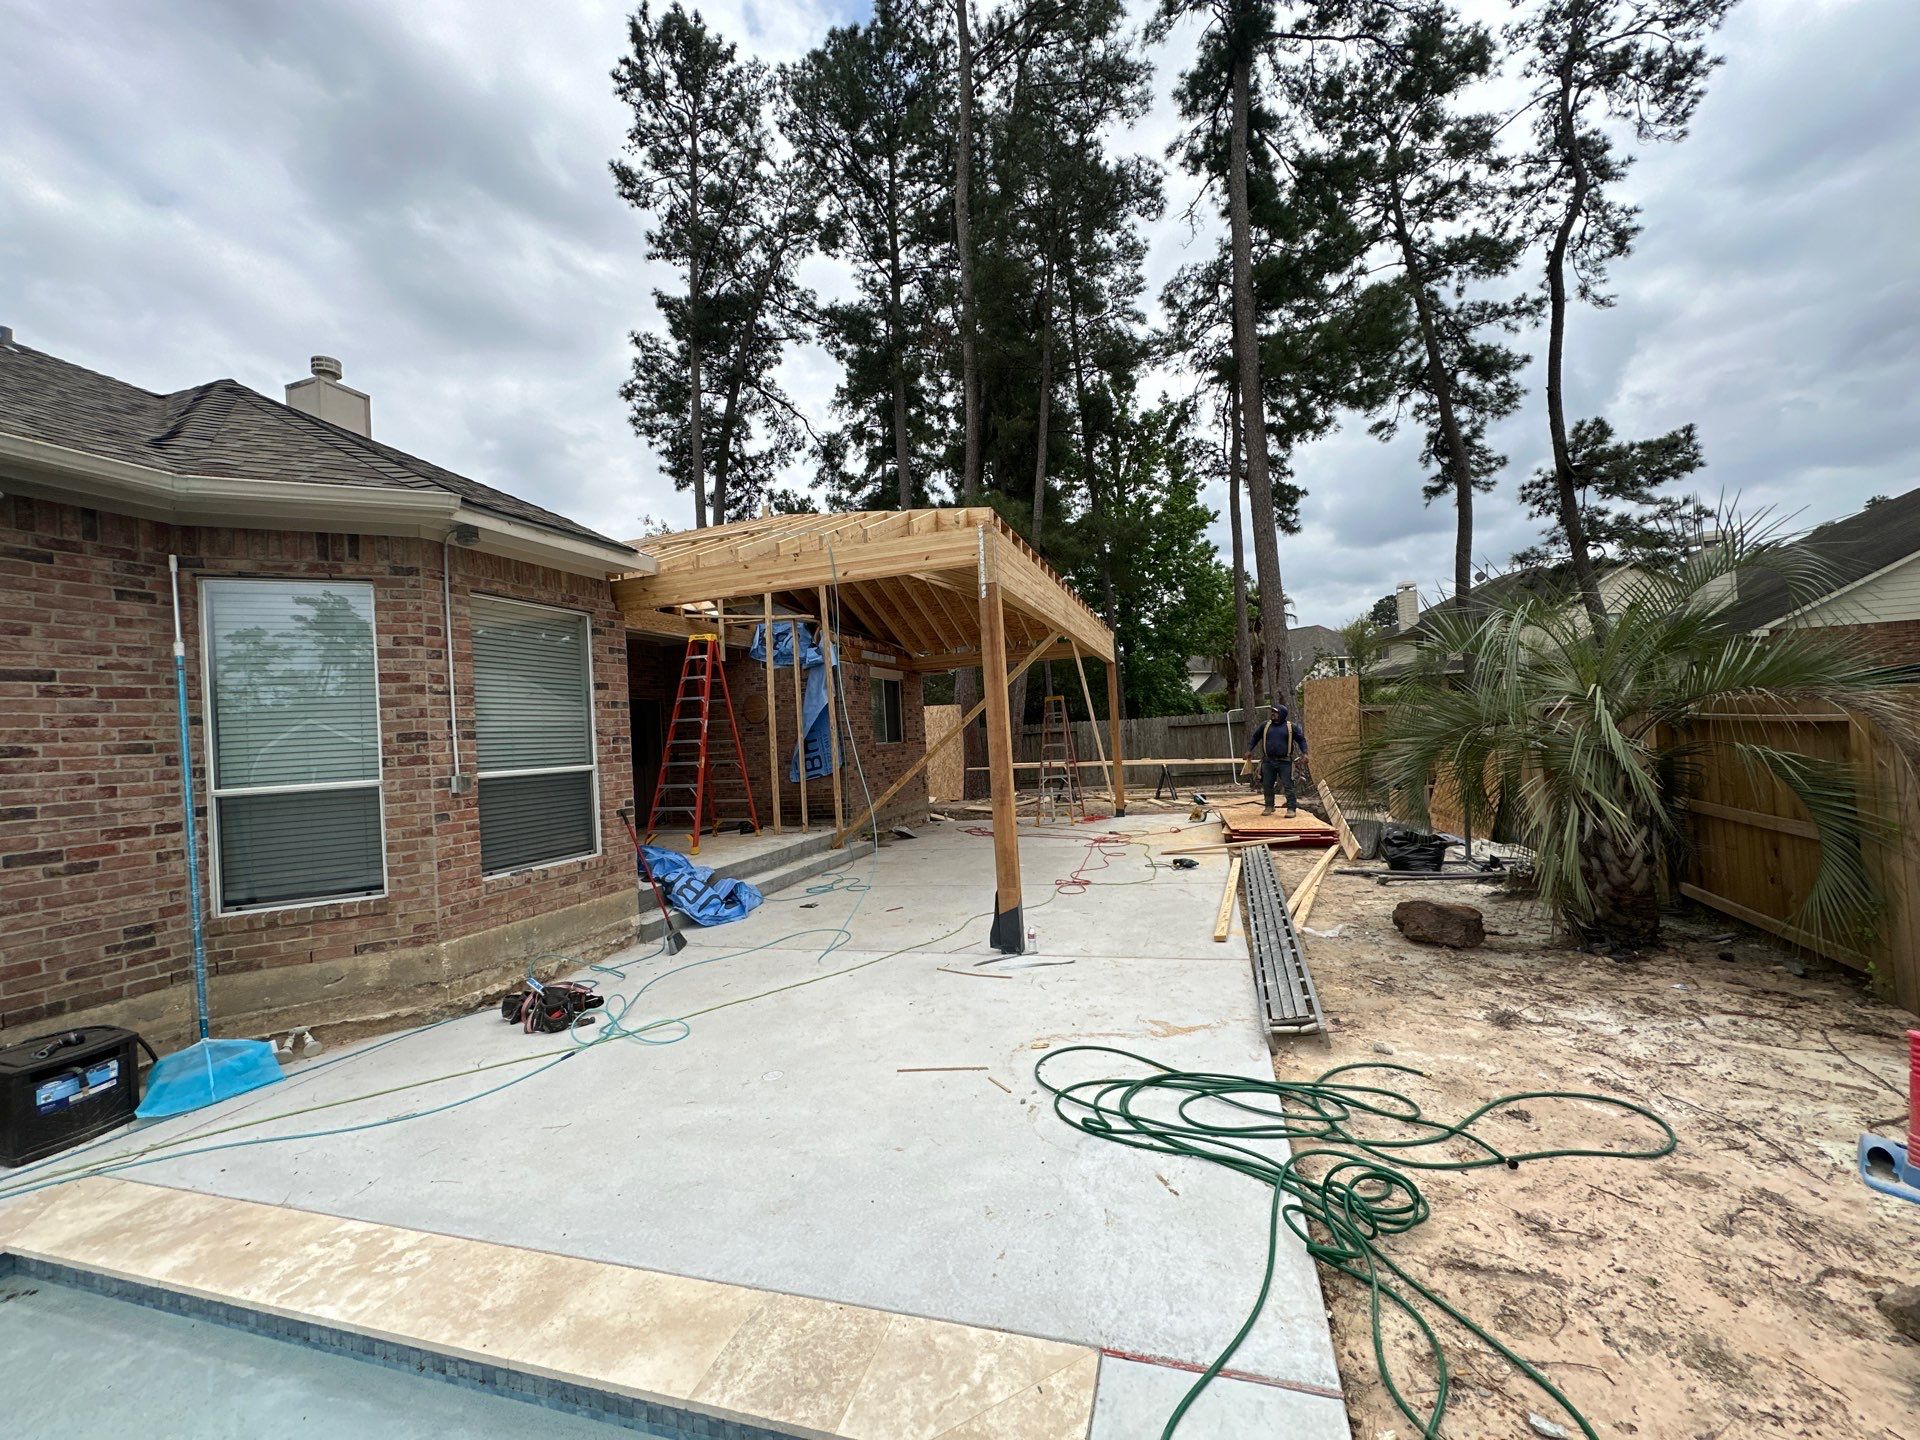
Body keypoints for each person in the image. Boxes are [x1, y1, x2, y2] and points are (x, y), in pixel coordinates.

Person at [1242, 700, 1308, 816]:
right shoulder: (1265, 725)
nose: (1272, 714)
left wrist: (1305, 753)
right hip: (1268, 761)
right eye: (1272, 712)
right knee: (1267, 784)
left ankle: (1291, 808)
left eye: (1275, 712)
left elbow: (1301, 740)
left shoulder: (1290, 727)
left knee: (1288, 785)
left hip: (1285, 762)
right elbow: (1255, 738)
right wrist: (1249, 750)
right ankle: (1269, 806)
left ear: (1282, 714)